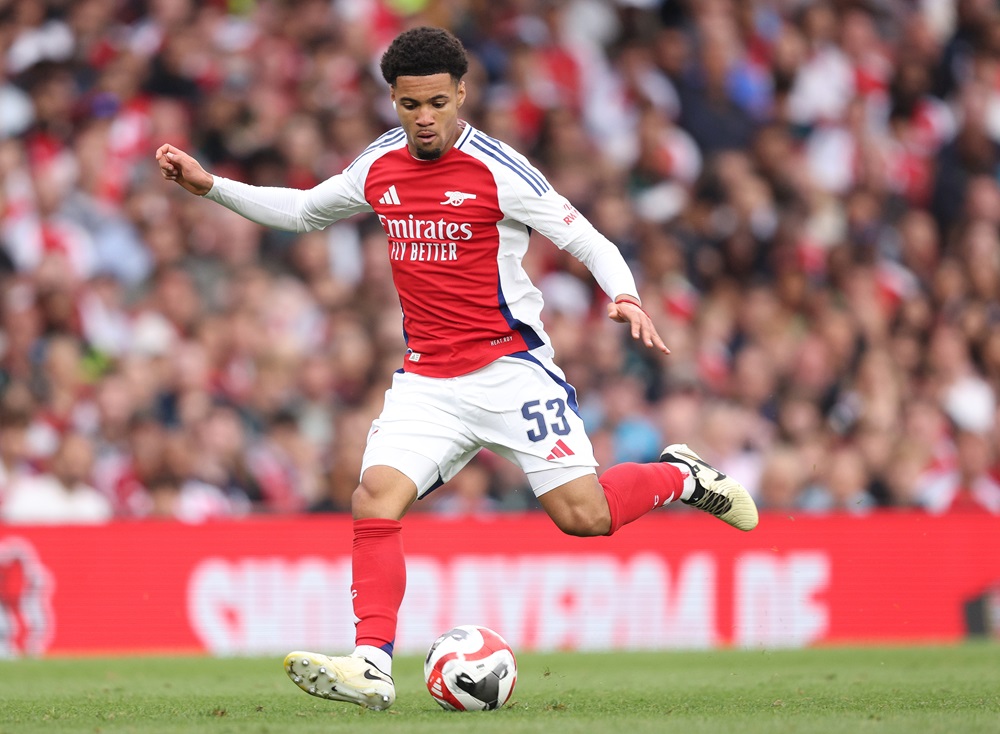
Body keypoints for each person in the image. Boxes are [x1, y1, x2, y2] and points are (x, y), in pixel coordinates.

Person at [156, 26, 758, 711]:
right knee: (375, 497)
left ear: (462, 95)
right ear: (393, 100)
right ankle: (372, 665)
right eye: (410, 105)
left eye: (437, 102)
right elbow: (301, 211)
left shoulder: (499, 170)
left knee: (584, 517)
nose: (424, 118)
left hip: (511, 371)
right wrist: (210, 187)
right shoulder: (378, 165)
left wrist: (623, 294)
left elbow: (586, 238)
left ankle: (682, 475)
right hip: (428, 383)